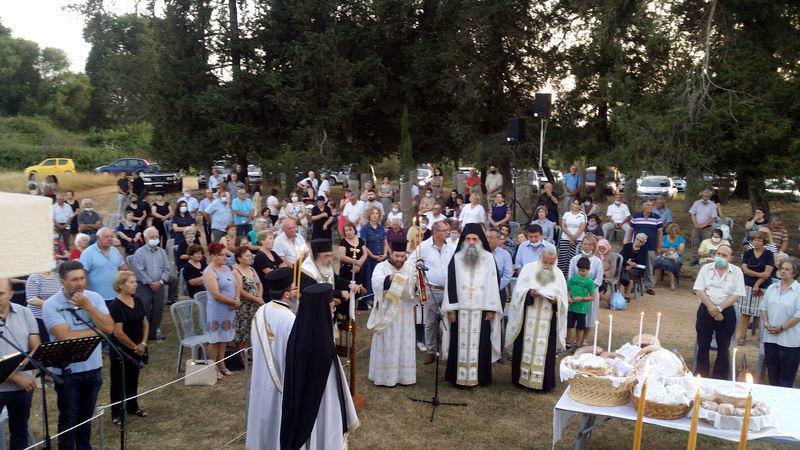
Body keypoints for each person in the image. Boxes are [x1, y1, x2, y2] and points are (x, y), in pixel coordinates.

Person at [43, 261, 113, 450]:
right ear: (62, 281)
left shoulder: (94, 298)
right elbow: (65, 337)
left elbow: (109, 327)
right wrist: (97, 331)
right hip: (67, 372)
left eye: (82, 278)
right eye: (74, 279)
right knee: (68, 418)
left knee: (86, 416)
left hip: (94, 368)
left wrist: (88, 307)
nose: (80, 283)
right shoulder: (51, 305)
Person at [280, 283, 358, 450]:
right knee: (321, 426)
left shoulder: (301, 330)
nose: (334, 309)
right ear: (320, 308)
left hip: (306, 399)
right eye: (330, 305)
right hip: (320, 399)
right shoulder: (319, 340)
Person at [441, 223, 503, 387]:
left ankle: (480, 377)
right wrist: (451, 309)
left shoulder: (488, 258)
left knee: (481, 344)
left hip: (481, 309)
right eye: (468, 239)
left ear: (480, 240)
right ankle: (457, 377)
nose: (471, 242)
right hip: (460, 309)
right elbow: (451, 284)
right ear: (463, 240)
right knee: (458, 342)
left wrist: (491, 308)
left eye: (475, 239)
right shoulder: (456, 258)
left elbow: (493, 283)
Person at [246, 268, 296, 450]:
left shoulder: (261, 311)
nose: (296, 290)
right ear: (286, 294)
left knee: (262, 411)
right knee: (276, 414)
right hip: (281, 377)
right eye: (293, 288)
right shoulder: (289, 318)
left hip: (261, 373)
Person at [367, 240, 418, 386]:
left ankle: (405, 376)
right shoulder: (381, 267)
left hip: (405, 313)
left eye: (402, 256)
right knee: (388, 342)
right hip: (387, 312)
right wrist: (389, 279)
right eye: (397, 256)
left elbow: (415, 288)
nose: (400, 259)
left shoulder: (410, 267)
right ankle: (385, 377)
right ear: (391, 253)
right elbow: (376, 284)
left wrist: (414, 284)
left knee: (404, 342)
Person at [693, 244, 744, 379]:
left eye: (724, 255)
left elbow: (737, 294)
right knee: (703, 344)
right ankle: (701, 375)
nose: (720, 257)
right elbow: (699, 290)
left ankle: (720, 377)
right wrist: (712, 308)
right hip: (706, 308)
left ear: (730, 258)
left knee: (724, 346)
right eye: (719, 254)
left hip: (726, 310)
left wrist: (719, 309)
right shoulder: (706, 268)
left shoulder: (737, 272)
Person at [0, 278, 40, 450]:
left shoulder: (25, 312)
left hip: (23, 386)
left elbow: (35, 346)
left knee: (19, 430)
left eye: (0, 293)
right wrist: (16, 377)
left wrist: (22, 370)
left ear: (11, 294)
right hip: (13, 383)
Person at [407, 220, 453, 363]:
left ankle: (447, 350)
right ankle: (431, 351)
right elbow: (410, 262)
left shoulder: (450, 247)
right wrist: (418, 269)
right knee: (430, 321)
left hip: (448, 290)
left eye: (447, 230)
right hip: (432, 288)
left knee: (449, 320)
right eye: (444, 230)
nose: (447, 233)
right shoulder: (424, 247)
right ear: (435, 232)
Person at [107, 271, 148, 426]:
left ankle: (132, 406)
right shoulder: (115, 305)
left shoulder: (137, 300)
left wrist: (143, 343)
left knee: (133, 378)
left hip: (138, 346)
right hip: (121, 349)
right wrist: (134, 347)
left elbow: (145, 322)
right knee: (118, 381)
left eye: (135, 282)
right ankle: (116, 413)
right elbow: (118, 332)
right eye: (131, 282)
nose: (135, 285)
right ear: (120, 285)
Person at [203, 243, 241, 379]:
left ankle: (222, 365)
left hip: (229, 309)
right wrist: (233, 302)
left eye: (225, 255)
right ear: (213, 255)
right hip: (217, 310)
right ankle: (213, 366)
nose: (225, 257)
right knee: (215, 339)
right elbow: (216, 294)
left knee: (224, 338)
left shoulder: (226, 268)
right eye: (221, 255)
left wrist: (236, 299)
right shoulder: (209, 272)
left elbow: (236, 285)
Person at [761, 258, 800, 387]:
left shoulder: (798, 290)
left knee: (786, 377)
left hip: (790, 340)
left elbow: (798, 315)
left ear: (794, 273)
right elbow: (763, 307)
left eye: (787, 269)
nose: (783, 271)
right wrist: (766, 324)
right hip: (770, 337)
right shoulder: (772, 287)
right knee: (772, 373)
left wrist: (781, 328)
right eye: (782, 268)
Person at [131, 227, 170, 341]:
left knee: (158, 309)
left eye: (156, 236)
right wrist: (150, 282)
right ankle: (142, 332)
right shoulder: (139, 252)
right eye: (152, 237)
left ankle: (153, 332)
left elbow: (167, 269)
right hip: (144, 285)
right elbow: (139, 270)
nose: (155, 239)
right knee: (144, 309)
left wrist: (161, 282)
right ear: (145, 239)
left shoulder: (162, 252)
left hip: (160, 284)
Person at [737, 231, 775, 346]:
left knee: (761, 313)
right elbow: (744, 269)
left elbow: (767, 273)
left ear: (764, 242)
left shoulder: (768, 254)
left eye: (759, 240)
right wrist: (759, 274)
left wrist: (757, 284)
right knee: (745, 312)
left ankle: (761, 338)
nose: (757, 242)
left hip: (763, 286)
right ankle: (742, 336)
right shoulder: (748, 253)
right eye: (755, 240)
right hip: (747, 284)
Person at [567, 235, 603, 346]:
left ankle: (583, 339)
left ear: (594, 246)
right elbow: (570, 276)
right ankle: (569, 339)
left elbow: (598, 279)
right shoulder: (574, 259)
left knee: (589, 317)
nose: (587, 247)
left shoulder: (597, 261)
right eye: (585, 244)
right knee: (572, 317)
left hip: (590, 293)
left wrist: (588, 291)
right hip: (575, 292)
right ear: (581, 245)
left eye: (590, 245)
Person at [80, 227, 125, 301]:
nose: (110, 239)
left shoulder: (115, 250)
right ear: (98, 238)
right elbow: (82, 274)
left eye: (111, 236)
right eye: (106, 236)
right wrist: (86, 294)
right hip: (96, 298)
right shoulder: (88, 253)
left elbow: (121, 269)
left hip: (116, 296)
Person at [628, 200, 663, 295]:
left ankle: (649, 286)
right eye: (648, 205)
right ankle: (633, 285)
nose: (650, 207)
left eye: (651, 205)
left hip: (651, 246)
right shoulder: (636, 217)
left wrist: (659, 246)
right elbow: (630, 230)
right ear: (643, 207)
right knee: (635, 265)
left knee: (649, 266)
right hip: (636, 247)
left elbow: (660, 232)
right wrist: (628, 243)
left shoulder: (657, 218)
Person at [233, 247, 264, 351]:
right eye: (247, 256)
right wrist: (255, 299)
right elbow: (240, 290)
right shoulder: (236, 271)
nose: (250, 257)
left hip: (256, 304)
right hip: (244, 306)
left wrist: (259, 297)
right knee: (243, 331)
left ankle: (252, 352)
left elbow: (259, 284)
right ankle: (240, 355)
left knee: (255, 329)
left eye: (250, 255)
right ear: (239, 258)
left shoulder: (252, 269)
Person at [566, 257, 596, 349]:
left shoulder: (590, 282)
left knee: (580, 328)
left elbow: (592, 297)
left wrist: (582, 298)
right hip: (571, 308)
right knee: (568, 326)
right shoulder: (573, 279)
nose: (581, 272)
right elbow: (567, 291)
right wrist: (568, 297)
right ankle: (567, 342)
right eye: (579, 270)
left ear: (588, 270)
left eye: (583, 271)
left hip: (582, 309)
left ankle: (578, 344)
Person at [360, 206, 388, 301]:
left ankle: (381, 297)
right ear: (369, 215)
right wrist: (373, 256)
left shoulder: (381, 228)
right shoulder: (365, 229)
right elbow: (364, 245)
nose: (374, 215)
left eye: (376, 213)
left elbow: (385, 243)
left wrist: (385, 253)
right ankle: (370, 299)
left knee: (381, 277)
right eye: (372, 213)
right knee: (370, 278)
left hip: (381, 257)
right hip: (370, 258)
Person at [558, 198, 587, 277]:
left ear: (580, 206)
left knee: (573, 259)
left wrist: (574, 238)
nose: (575, 205)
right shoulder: (567, 214)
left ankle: (570, 277)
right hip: (565, 238)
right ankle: (561, 276)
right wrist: (571, 237)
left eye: (577, 204)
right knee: (563, 258)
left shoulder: (583, 215)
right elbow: (564, 226)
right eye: (574, 203)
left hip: (578, 240)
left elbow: (582, 228)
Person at [689, 190, 718, 265]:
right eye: (703, 196)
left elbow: (712, 218)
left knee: (706, 244)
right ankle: (694, 259)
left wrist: (703, 225)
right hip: (696, 227)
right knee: (694, 243)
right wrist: (695, 224)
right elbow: (692, 214)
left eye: (707, 196)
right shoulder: (697, 203)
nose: (705, 198)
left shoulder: (713, 205)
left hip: (707, 228)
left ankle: (705, 260)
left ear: (710, 196)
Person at [654, 223, 685, 291]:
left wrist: (672, 251)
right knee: (658, 262)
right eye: (671, 234)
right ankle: (654, 281)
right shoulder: (664, 238)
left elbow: (680, 252)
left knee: (669, 264)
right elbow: (659, 249)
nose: (672, 235)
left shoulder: (680, 239)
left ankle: (672, 283)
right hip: (664, 255)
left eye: (674, 234)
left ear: (677, 233)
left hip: (676, 257)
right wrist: (668, 250)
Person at [487, 229, 513, 308]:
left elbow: (507, 275)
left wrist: (495, 287)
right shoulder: (480, 253)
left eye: (491, 237)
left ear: (498, 239)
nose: (488, 240)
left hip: (498, 290)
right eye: (486, 237)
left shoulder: (505, 254)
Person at [619, 233, 649, 300]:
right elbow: (620, 257)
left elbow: (643, 264)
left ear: (643, 243)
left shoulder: (644, 250)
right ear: (634, 239)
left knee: (630, 274)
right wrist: (627, 262)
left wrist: (633, 266)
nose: (638, 242)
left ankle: (627, 296)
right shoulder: (627, 246)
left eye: (641, 241)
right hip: (624, 265)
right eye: (637, 239)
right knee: (622, 272)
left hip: (637, 269)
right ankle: (620, 294)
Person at [339, 222, 367, 290]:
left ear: (354, 230)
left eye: (350, 230)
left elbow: (365, 254)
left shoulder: (360, 240)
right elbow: (342, 257)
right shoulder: (343, 242)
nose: (348, 232)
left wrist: (359, 265)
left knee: (359, 290)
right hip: (346, 270)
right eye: (346, 231)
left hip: (359, 269)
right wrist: (356, 262)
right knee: (348, 290)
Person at [596, 239, 616, 307]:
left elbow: (613, 270)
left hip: (606, 277)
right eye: (600, 248)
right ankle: (602, 298)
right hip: (595, 275)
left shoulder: (612, 256)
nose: (601, 250)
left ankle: (597, 298)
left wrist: (604, 274)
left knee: (602, 284)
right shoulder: (595, 254)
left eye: (603, 248)